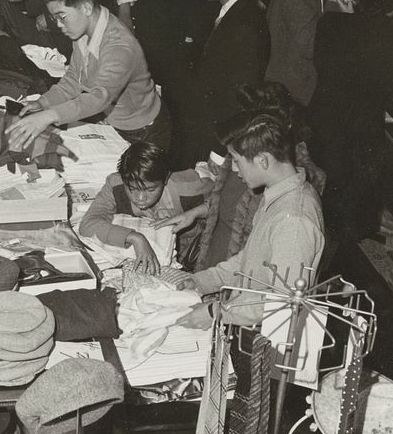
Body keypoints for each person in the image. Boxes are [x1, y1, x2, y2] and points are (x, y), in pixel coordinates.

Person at [173, 108, 325, 329]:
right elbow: (252, 259)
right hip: (247, 315)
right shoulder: (278, 192)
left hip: (263, 335)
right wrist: (203, 281)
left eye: (236, 160)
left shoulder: (293, 221)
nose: (235, 170)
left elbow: (282, 302)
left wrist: (217, 312)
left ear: (263, 160)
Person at [156, 81, 326, 273]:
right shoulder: (243, 156)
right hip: (219, 257)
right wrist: (194, 213)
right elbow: (225, 202)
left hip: (238, 271)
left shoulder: (282, 182)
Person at [6, 0, 170, 151]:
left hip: (143, 131)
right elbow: (72, 81)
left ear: (86, 8)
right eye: (55, 18)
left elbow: (99, 97)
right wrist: (42, 103)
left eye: (62, 16)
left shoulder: (119, 46)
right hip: (116, 122)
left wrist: (48, 116)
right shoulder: (83, 34)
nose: (59, 25)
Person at [182, 0, 269, 162]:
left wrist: (219, 151)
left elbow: (238, 98)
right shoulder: (233, 11)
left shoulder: (245, 27)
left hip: (219, 140)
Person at [78, 140, 210, 274]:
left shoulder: (188, 188)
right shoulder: (115, 185)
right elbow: (88, 223)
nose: (140, 198)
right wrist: (135, 238)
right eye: (132, 189)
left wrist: (194, 212)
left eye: (150, 190)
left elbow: (227, 203)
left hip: (193, 253)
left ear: (165, 179)